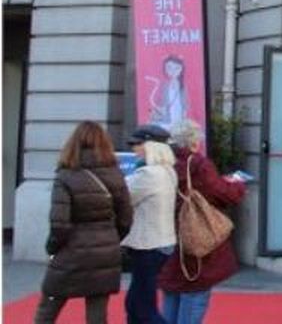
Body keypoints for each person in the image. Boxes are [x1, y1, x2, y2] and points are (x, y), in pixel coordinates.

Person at [36, 121, 133, 324]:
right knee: (97, 312)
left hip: (71, 251)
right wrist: (111, 237)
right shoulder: (115, 174)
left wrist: (52, 248)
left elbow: (59, 224)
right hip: (105, 250)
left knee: (49, 306)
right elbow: (126, 218)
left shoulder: (65, 175)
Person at [159, 120, 247, 324]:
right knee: (194, 290)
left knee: (172, 291)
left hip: (166, 234)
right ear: (193, 142)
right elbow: (222, 194)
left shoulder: (164, 163)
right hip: (195, 235)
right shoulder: (197, 165)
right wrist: (238, 186)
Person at [123, 126, 178, 324]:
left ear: (151, 146)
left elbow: (122, 198)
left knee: (142, 307)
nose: (134, 148)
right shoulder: (166, 171)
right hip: (159, 243)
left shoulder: (149, 174)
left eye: (138, 144)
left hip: (149, 245)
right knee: (136, 303)